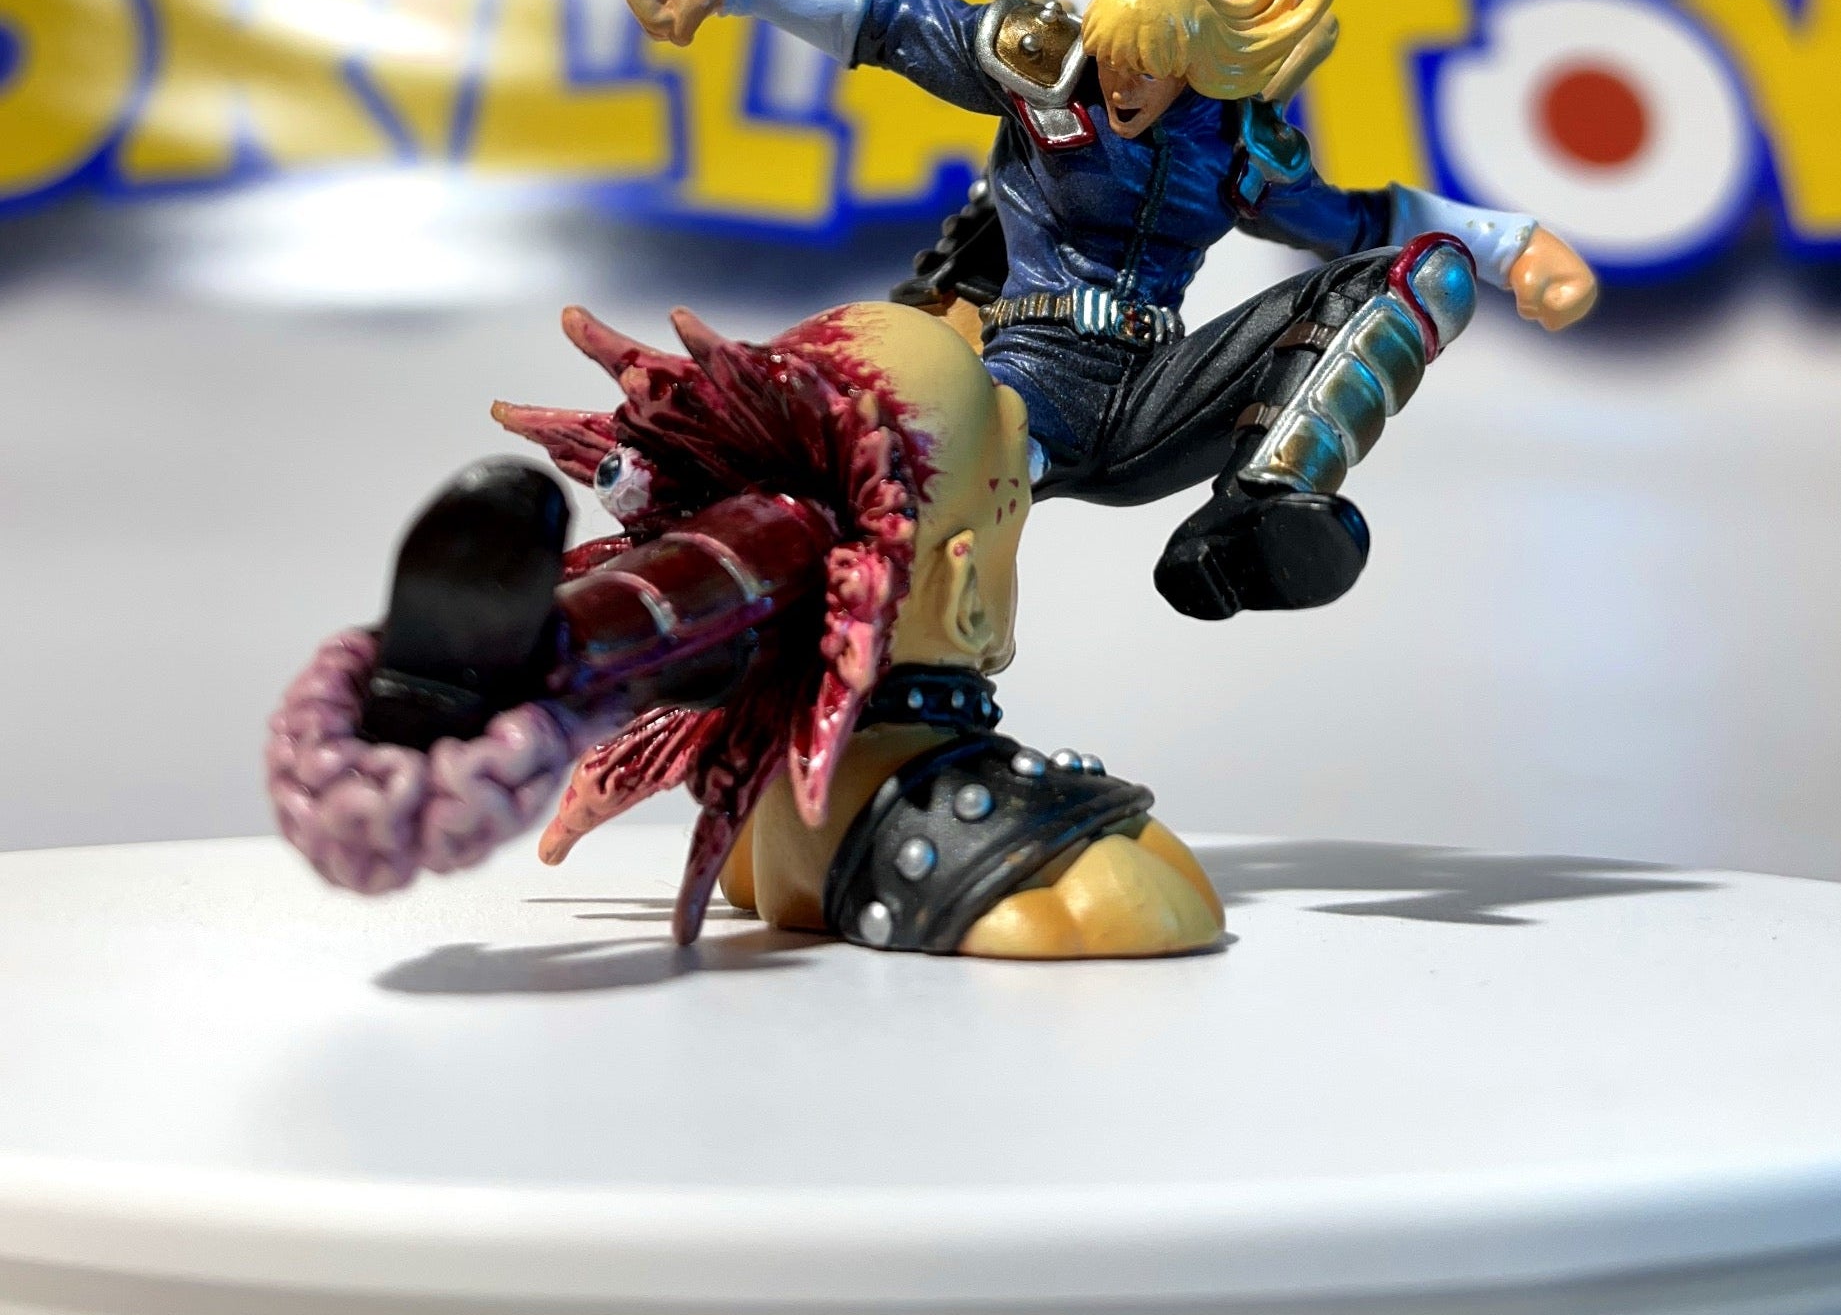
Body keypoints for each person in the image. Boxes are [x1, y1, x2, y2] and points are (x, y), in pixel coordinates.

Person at [624, 0, 1598, 619]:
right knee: (902, 522)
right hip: (1025, 384)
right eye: (1117, 57)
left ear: (1200, 65)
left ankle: (1255, 510)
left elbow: (1360, 222)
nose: (1123, 84)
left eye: (1151, 66)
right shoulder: (1043, 69)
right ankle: (701, 567)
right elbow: (892, 20)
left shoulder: (1234, 151)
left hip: (1151, 401)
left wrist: (1508, 245)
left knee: (1419, 276)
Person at [268, 300, 1224, 959]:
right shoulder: (1039, 852)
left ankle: (548, 659)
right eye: (1019, 486)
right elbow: (1163, 910)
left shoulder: (761, 844)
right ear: (966, 590)